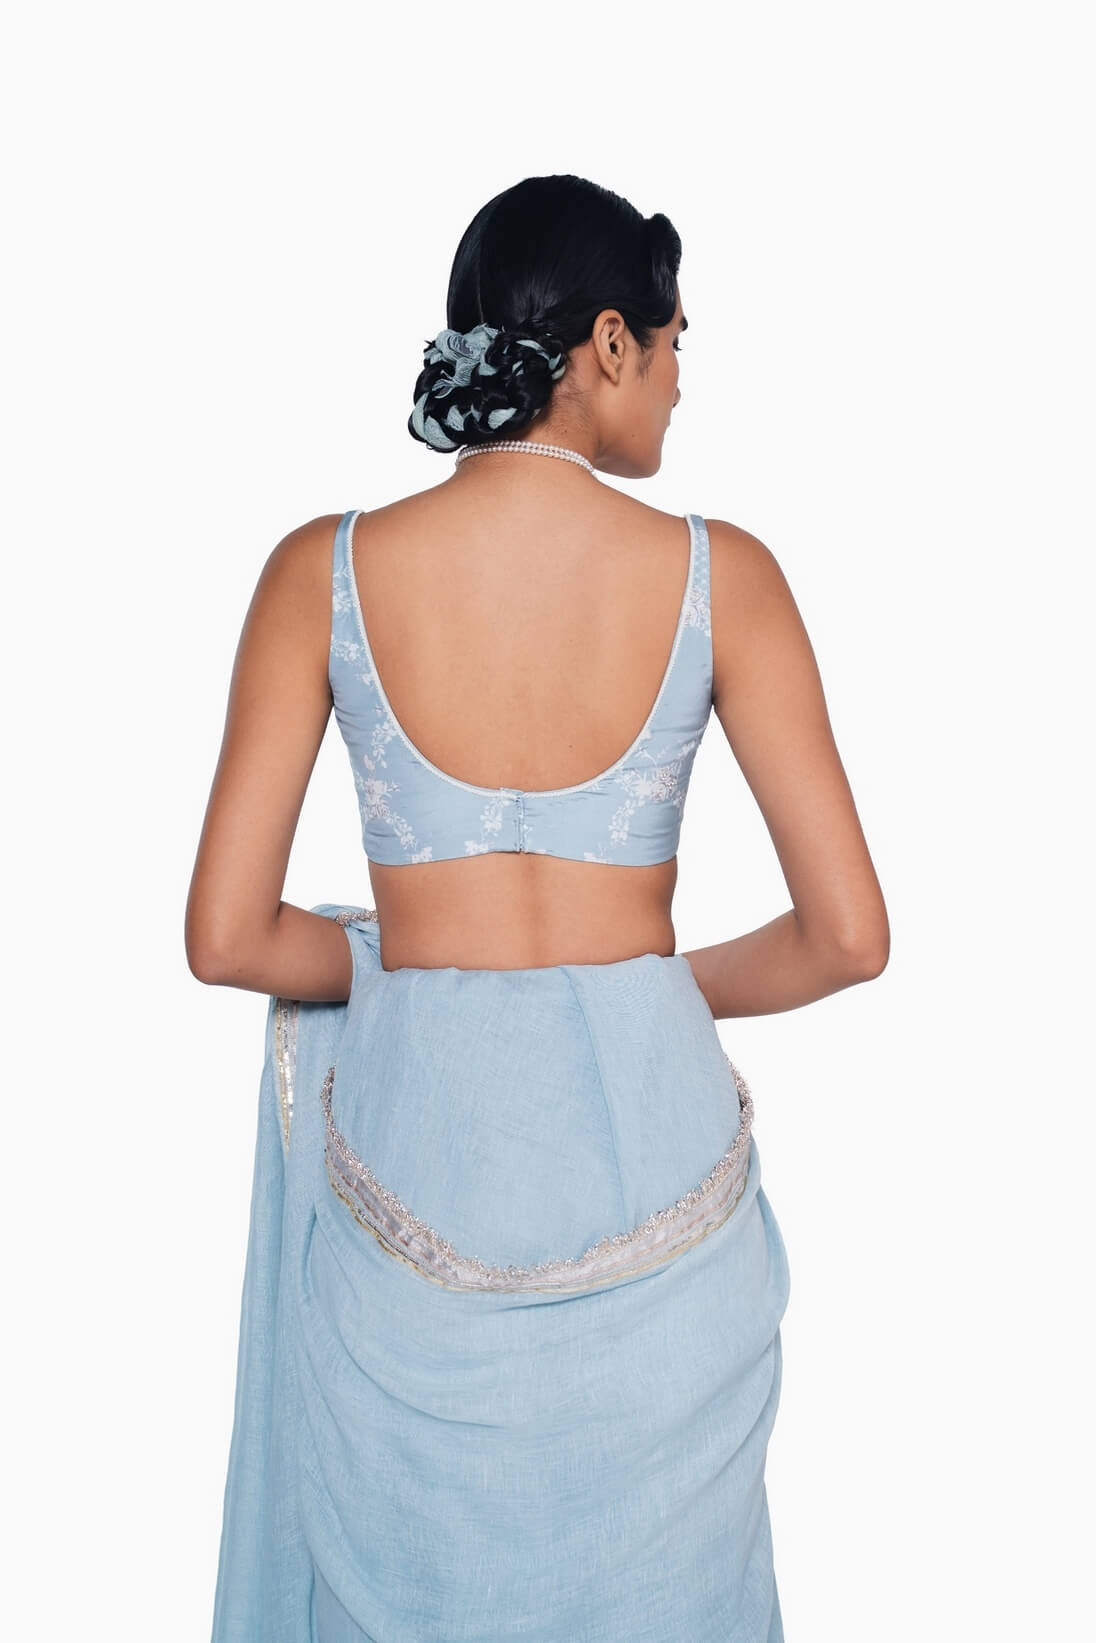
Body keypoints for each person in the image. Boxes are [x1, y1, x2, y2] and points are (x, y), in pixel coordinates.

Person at [187, 172, 889, 1643]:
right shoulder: (725, 577)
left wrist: (408, 952)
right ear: (610, 343)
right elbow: (848, 936)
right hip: (657, 1182)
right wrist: (630, 979)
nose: (684, 380)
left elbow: (228, 937)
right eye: (679, 342)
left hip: (416, 1176)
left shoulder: (321, 572)